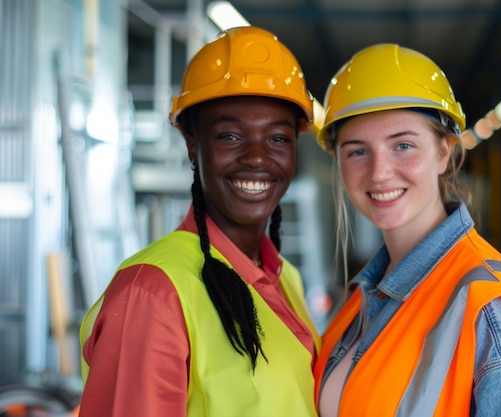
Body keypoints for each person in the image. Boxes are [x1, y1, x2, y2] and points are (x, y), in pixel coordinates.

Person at [78, 26, 320, 417]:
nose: (258, 158)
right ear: (193, 145)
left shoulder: (284, 276)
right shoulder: (153, 293)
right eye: (230, 136)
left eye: (278, 138)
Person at [313, 43, 501, 417]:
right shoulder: (363, 297)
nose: (379, 172)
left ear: (444, 152)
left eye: (402, 145)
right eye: (357, 151)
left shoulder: (492, 314)